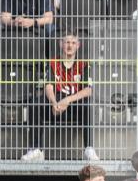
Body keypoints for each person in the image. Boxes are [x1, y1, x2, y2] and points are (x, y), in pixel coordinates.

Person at [21, 32, 97, 162]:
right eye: (67, 42)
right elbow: (48, 86)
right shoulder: (52, 63)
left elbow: (88, 90)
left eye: (73, 43)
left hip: (74, 106)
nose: (70, 46)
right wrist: (54, 102)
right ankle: (36, 149)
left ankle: (89, 149)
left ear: (78, 45)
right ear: (61, 44)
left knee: (88, 105)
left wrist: (67, 100)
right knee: (35, 104)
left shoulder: (84, 64)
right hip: (55, 107)